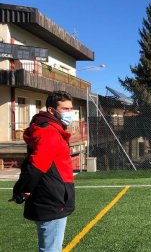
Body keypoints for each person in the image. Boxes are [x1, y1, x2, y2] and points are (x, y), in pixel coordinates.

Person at [10, 90, 75, 252]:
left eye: (71, 109)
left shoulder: (50, 128)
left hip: (51, 194)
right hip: (52, 197)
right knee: (50, 249)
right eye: (65, 109)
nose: (70, 113)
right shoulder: (49, 131)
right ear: (51, 110)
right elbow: (37, 165)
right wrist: (23, 189)